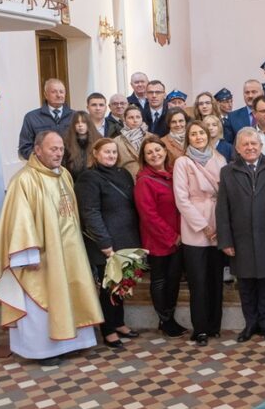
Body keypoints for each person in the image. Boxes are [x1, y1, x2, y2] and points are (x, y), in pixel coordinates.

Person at [0, 131, 104, 365]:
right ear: (38, 150)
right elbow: (19, 220)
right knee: (42, 302)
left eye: (61, 149)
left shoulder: (64, 175)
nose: (58, 153)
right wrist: (27, 255)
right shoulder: (24, 180)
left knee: (69, 294)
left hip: (69, 251)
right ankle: (43, 351)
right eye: (53, 149)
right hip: (41, 256)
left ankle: (71, 343)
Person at [218, 128, 265, 342]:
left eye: (253, 143)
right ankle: (250, 324)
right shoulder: (227, 172)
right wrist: (225, 240)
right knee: (245, 284)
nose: (250, 147)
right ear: (237, 148)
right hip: (241, 238)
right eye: (245, 144)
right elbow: (222, 209)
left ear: (261, 146)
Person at [74, 138, 141, 349]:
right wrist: (104, 242)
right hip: (107, 242)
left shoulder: (123, 174)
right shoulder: (89, 178)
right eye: (106, 152)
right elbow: (90, 212)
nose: (111, 155)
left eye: (114, 152)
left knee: (122, 285)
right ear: (95, 153)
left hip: (128, 238)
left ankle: (119, 322)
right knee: (108, 288)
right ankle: (108, 330)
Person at [173, 120, 228, 345]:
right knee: (198, 281)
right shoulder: (182, 162)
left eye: (201, 133)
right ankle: (201, 329)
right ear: (188, 138)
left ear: (208, 135)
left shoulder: (220, 159)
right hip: (194, 226)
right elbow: (181, 199)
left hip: (218, 220)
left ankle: (214, 325)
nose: (198, 137)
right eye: (193, 134)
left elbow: (226, 192)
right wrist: (203, 226)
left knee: (216, 279)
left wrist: (220, 225)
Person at [134, 136, 187, 338]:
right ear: (144, 157)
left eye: (157, 150)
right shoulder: (144, 181)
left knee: (174, 279)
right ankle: (165, 320)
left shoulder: (174, 174)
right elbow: (148, 215)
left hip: (179, 237)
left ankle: (169, 317)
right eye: (149, 152)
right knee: (160, 280)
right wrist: (172, 236)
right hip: (158, 239)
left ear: (165, 151)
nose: (154, 155)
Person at [18, 78, 74, 159]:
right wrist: (43, 159)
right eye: (54, 92)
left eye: (61, 92)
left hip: (71, 165)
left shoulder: (75, 116)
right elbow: (25, 147)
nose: (59, 95)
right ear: (45, 95)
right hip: (43, 165)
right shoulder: (31, 117)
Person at [62, 111, 101, 181]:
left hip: (94, 181)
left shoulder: (98, 141)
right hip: (73, 180)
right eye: (77, 123)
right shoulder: (66, 142)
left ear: (89, 124)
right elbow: (64, 165)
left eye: (84, 122)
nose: (80, 125)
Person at [113, 105, 148, 179]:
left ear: (142, 118)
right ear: (124, 120)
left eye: (138, 117)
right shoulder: (116, 141)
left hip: (150, 179)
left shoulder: (151, 137)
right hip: (127, 179)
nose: (135, 120)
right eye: (131, 117)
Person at [223, 79, 263, 144]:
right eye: (247, 92)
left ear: (262, 93)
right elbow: (228, 144)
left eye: (254, 92)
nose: (250, 95)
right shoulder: (232, 117)